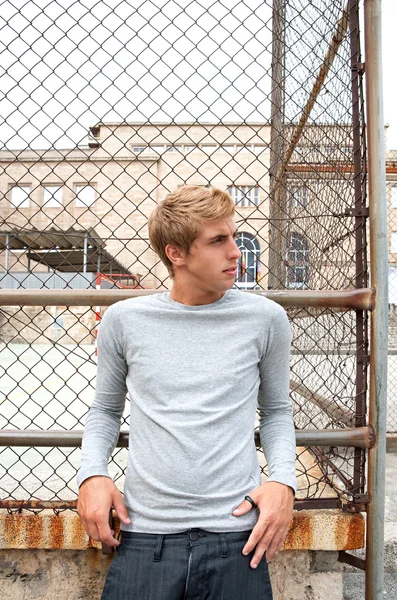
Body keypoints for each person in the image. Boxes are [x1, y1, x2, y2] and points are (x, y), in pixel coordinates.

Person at [77, 185, 297, 600]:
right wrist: (93, 473)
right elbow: (105, 410)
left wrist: (283, 481)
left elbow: (277, 412)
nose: (236, 252)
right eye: (218, 241)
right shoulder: (124, 320)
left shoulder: (267, 319)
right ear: (176, 253)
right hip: (145, 535)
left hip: (238, 536)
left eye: (234, 236)